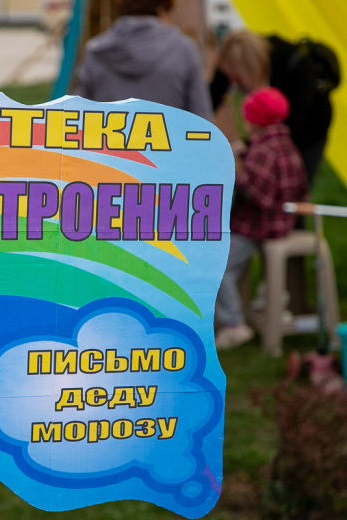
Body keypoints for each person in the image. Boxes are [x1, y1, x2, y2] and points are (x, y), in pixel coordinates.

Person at [214, 87, 309, 350]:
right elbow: (299, 187)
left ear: (254, 120)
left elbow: (259, 195)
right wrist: (245, 155)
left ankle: (234, 325)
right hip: (282, 224)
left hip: (256, 227)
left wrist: (235, 167)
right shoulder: (285, 145)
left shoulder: (264, 151)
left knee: (217, 266)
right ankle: (272, 300)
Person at [212, 30, 337, 183]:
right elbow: (213, 93)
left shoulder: (294, 67)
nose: (235, 84)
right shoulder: (233, 58)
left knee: (290, 183)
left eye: (238, 79)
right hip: (279, 128)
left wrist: (248, 147)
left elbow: (287, 130)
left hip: (308, 131)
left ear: (250, 68)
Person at [73, 0, 212, 120]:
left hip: (108, 143)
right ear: (162, 6)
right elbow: (203, 125)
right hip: (170, 143)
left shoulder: (95, 53)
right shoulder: (184, 51)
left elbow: (75, 118)